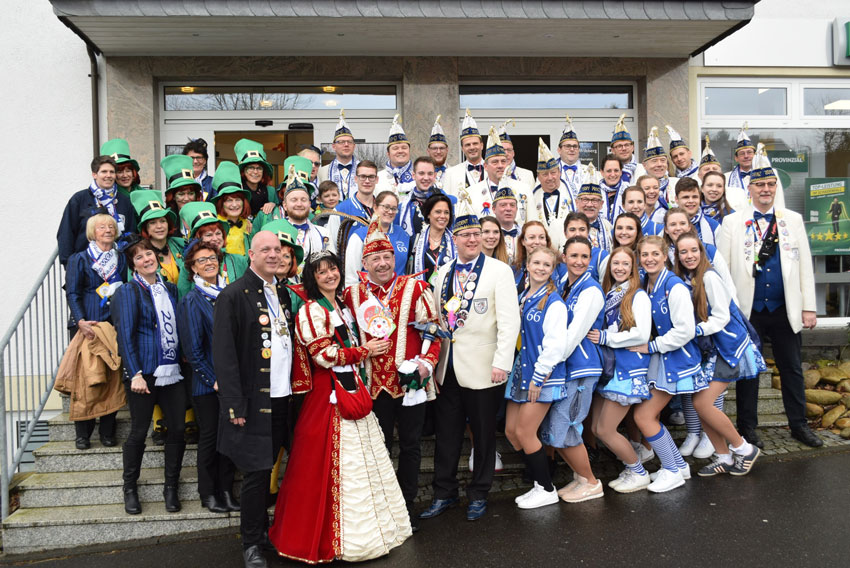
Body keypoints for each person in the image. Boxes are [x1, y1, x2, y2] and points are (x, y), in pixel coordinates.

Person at [270, 250, 411, 564]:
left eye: (333, 269)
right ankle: (327, 538)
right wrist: (365, 351)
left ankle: (371, 533)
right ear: (313, 277)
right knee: (324, 465)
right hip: (326, 394)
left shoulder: (343, 307)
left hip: (350, 387)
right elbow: (323, 354)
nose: (329, 275)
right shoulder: (311, 310)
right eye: (321, 272)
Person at [421, 199, 520, 522]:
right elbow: (437, 318)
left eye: (477, 234)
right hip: (447, 368)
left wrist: (502, 362)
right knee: (446, 435)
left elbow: (509, 322)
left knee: (483, 433)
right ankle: (443, 493)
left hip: (483, 367)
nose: (472, 240)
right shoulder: (444, 271)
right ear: (455, 239)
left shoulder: (499, 271)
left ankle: (479, 493)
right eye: (465, 235)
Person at [716, 146, 821, 448]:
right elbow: (722, 271)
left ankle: (799, 425)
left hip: (785, 308)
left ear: (775, 188)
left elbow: (804, 267)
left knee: (791, 369)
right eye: (759, 185)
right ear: (750, 189)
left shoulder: (793, 220)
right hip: (748, 311)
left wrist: (809, 307)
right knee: (749, 371)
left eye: (770, 184)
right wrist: (728, 311)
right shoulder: (732, 223)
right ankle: (748, 428)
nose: (765, 189)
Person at [343, 219, 442, 530]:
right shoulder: (353, 295)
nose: (382, 263)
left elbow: (433, 330)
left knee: (411, 445)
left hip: (410, 383)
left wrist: (426, 364)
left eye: (387, 256)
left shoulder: (415, 288)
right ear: (365, 263)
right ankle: (383, 505)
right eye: (375, 258)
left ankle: (407, 505)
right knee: (378, 446)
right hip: (373, 385)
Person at [212, 231, 301, 568]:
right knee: (254, 473)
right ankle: (250, 543)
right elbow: (225, 355)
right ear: (251, 254)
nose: (274, 255)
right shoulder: (234, 295)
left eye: (278, 250)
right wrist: (234, 405)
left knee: (269, 472)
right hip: (252, 401)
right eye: (266, 249)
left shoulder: (282, 292)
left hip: (283, 397)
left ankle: (263, 532)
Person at [673, 232, 765, 476]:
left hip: (727, 348)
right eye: (683, 252)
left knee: (702, 403)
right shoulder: (689, 278)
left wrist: (695, 330)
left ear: (701, 252)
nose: (689, 255)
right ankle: (723, 456)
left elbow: (722, 317)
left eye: (694, 250)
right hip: (712, 349)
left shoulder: (710, 276)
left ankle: (744, 449)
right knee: (701, 404)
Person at [112, 236, 185, 515]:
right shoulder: (128, 292)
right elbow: (125, 336)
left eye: (149, 254)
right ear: (133, 265)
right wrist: (135, 374)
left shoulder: (171, 289)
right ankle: (129, 488)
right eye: (139, 257)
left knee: (177, 429)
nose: (147, 259)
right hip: (144, 374)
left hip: (171, 371)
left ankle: (171, 488)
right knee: (138, 432)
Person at [630, 236, 703, 493]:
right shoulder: (647, 284)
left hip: (675, 358)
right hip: (662, 358)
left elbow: (686, 331)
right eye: (644, 255)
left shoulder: (675, 287)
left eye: (654, 254)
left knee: (644, 416)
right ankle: (679, 464)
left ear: (665, 256)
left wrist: (652, 346)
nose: (649, 259)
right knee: (646, 415)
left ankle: (672, 470)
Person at [176, 239, 239, 514]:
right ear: (192, 268)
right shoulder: (192, 299)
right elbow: (192, 349)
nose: (209, 263)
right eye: (202, 260)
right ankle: (208, 493)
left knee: (231, 438)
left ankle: (226, 490)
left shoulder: (227, 294)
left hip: (233, 382)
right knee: (211, 438)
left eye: (212, 258)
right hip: (207, 385)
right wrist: (214, 379)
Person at [504, 246, 567, 509]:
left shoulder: (554, 302)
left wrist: (538, 377)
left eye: (547, 265)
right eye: (536, 263)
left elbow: (556, 346)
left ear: (553, 270)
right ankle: (539, 480)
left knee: (525, 431)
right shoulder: (524, 296)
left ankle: (546, 487)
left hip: (541, 376)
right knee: (511, 431)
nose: (541, 268)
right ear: (527, 265)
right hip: (522, 372)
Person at [542, 236, 604, 503]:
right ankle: (580, 477)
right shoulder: (565, 286)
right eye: (574, 256)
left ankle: (591, 482)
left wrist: (550, 362)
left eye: (584, 257)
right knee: (559, 426)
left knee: (566, 425)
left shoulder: (590, 290)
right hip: (567, 367)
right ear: (564, 257)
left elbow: (574, 333)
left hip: (581, 367)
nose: (579, 261)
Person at [588, 246, 652, 493]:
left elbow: (642, 334)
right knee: (595, 428)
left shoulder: (638, 295)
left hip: (629, 369)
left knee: (605, 429)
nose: (620, 268)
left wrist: (606, 338)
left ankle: (637, 471)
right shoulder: (608, 292)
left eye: (626, 264)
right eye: (616, 263)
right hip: (611, 368)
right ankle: (632, 467)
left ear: (633, 268)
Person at [64, 213, 126, 450]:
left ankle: (107, 432)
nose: (108, 230)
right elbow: (72, 292)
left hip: (111, 326)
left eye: (111, 226)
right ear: (92, 232)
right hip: (87, 325)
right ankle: (83, 433)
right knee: (86, 381)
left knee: (111, 379)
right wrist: (79, 320)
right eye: (102, 227)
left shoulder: (121, 259)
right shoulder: (79, 259)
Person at [57, 155, 136, 265]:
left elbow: (131, 231)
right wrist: (69, 263)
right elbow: (66, 233)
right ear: (94, 174)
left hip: (117, 266)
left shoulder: (124, 201)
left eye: (112, 172)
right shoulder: (79, 199)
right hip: (85, 265)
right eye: (104, 172)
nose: (108, 176)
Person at [176, 201, 249, 299]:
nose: (215, 238)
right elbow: (183, 299)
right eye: (209, 235)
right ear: (198, 239)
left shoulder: (239, 260)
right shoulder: (188, 266)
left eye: (218, 233)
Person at [467, 127, 535, 225]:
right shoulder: (472, 192)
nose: (500, 165)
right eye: (495, 162)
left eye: (503, 161)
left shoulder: (524, 189)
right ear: (485, 166)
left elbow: (533, 224)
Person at [343, 191, 409, 286]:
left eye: (394, 208)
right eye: (386, 207)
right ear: (375, 207)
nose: (390, 212)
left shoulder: (402, 234)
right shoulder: (360, 235)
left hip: (397, 294)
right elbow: (351, 276)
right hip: (370, 295)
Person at [724, 123, 785, 209]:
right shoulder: (726, 178)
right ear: (736, 158)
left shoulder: (770, 173)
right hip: (737, 220)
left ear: (754, 155)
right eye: (742, 153)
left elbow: (779, 200)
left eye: (749, 152)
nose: (746, 156)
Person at [132, 190, 185, 285]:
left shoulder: (181, 245)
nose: (159, 226)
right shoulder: (137, 253)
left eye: (162, 221)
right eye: (153, 223)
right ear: (146, 228)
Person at [397, 156, 457, 238]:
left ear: (435, 175)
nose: (426, 178)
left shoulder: (451, 202)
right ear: (413, 175)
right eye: (421, 173)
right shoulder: (402, 208)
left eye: (430, 174)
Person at [533, 138, 573, 253]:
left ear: (559, 172)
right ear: (538, 177)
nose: (550, 178)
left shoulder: (572, 193)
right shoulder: (533, 196)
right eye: (545, 174)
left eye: (553, 173)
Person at [327, 159, 377, 250]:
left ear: (377, 180)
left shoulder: (384, 209)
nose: (367, 181)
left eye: (371, 177)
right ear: (356, 179)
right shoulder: (339, 211)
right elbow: (331, 248)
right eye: (363, 176)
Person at [407, 193, 456, 285]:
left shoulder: (456, 241)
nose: (443, 216)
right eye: (438, 212)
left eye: (446, 212)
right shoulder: (415, 241)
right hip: (422, 295)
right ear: (428, 214)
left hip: (447, 297)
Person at [212, 162, 252, 257]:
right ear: (221, 203)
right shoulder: (214, 225)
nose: (234, 205)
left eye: (238, 199)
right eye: (229, 200)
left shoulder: (248, 225)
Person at [441, 109, 485, 194]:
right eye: (467, 145)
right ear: (462, 148)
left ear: (482, 145)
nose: (472, 147)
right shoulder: (450, 173)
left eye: (475, 143)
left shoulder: (492, 170)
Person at [318, 110, 358, 200]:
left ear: (354, 146)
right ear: (334, 146)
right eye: (341, 142)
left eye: (349, 142)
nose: (346, 144)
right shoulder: (322, 172)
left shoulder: (362, 169)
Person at [161, 154, 203, 232]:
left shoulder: (204, 214)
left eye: (190, 193)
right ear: (173, 196)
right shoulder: (166, 219)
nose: (186, 199)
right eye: (181, 194)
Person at [376, 114, 415, 198]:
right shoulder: (378, 178)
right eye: (395, 148)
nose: (400, 151)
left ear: (409, 151)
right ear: (388, 154)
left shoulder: (420, 175)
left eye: (404, 147)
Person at [562, 212, 608, 282]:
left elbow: (606, 287)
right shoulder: (560, 259)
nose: (577, 234)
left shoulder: (601, 256)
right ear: (565, 233)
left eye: (582, 229)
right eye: (572, 230)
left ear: (588, 232)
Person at [235, 138, 276, 216]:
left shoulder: (270, 191)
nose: (255, 172)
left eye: (259, 168)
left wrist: (273, 205)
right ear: (243, 171)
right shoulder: (237, 190)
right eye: (251, 168)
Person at [512, 221, 556, 294]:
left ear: (546, 241)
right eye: (532, 237)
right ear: (523, 241)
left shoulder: (559, 269)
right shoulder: (514, 270)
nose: (537, 242)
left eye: (541, 237)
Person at [640, 127, 679, 208]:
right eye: (654, 161)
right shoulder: (636, 187)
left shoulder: (677, 184)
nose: (659, 164)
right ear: (644, 165)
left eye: (663, 160)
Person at [576, 166, 613, 252]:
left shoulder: (608, 227)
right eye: (585, 199)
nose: (589, 205)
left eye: (594, 200)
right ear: (577, 202)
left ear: (601, 204)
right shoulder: (563, 225)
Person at [675, 177, 720, 246]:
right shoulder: (667, 224)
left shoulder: (713, 226)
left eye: (695, 197)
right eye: (686, 197)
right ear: (676, 199)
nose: (691, 201)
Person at [556, 116, 591, 203]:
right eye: (568, 146)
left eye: (575, 146)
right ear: (559, 150)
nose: (572, 149)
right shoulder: (550, 171)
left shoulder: (590, 171)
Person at [499, 121, 535, 189]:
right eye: (502, 150)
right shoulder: (489, 174)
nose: (506, 154)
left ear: (513, 153)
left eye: (509, 150)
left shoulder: (527, 175)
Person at [492, 184, 522, 264]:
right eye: (503, 205)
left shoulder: (524, 233)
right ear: (494, 209)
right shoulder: (487, 234)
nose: (508, 209)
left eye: (512, 205)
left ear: (516, 209)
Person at [610, 113, 638, 184]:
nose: (624, 148)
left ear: (633, 147)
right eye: (619, 146)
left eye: (627, 145)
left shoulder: (643, 170)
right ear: (613, 150)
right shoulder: (608, 172)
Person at [600, 154, 628, 223]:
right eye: (609, 171)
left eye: (616, 170)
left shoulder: (629, 191)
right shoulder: (595, 192)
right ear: (602, 172)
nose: (612, 174)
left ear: (621, 172)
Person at [427, 115, 450, 189]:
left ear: (447, 150)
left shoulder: (454, 172)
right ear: (428, 151)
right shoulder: (422, 174)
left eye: (442, 148)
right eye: (434, 148)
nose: (438, 151)